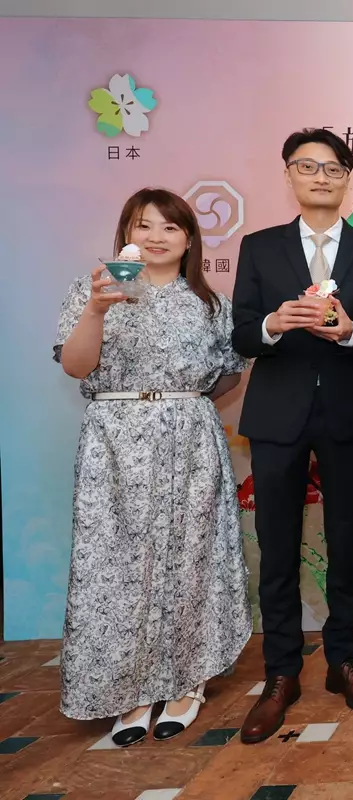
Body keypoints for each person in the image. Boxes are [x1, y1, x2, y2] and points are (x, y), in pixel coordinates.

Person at [54, 188, 252, 746]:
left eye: (170, 227)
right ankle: (132, 691)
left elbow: (229, 374)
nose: (156, 237)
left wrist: (182, 406)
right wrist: (97, 310)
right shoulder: (93, 289)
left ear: (189, 239)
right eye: (144, 225)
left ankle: (187, 683)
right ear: (126, 234)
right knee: (114, 566)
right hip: (114, 443)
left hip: (190, 441)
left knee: (192, 558)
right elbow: (75, 366)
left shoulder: (210, 303)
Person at [232, 127, 353, 743]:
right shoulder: (259, 247)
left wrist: (351, 332)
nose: (321, 177)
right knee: (276, 546)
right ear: (289, 175)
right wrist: (274, 323)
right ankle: (281, 673)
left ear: (348, 177)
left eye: (332, 168)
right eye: (308, 166)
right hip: (278, 413)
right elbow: (241, 333)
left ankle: (344, 660)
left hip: (349, 412)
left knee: (346, 541)